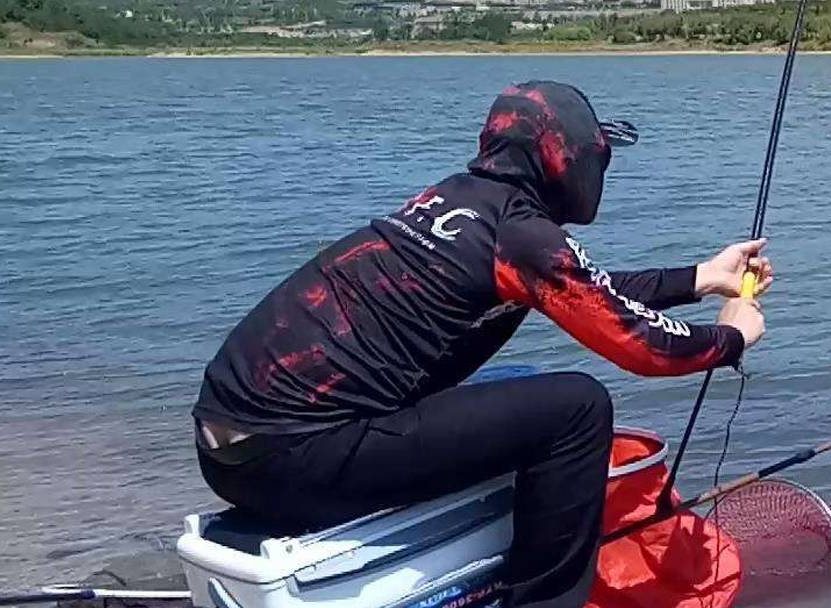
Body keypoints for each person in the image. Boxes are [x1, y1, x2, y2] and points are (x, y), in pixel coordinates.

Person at [191, 80, 770, 608]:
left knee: (514, 382)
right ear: (563, 160)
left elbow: (579, 289)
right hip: (294, 459)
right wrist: (731, 336)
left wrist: (699, 277)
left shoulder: (456, 201)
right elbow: (638, 345)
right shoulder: (521, 234)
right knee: (579, 408)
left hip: (230, 453)